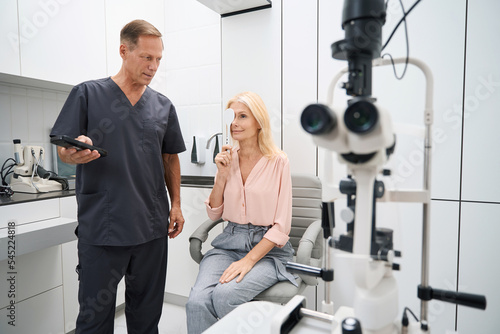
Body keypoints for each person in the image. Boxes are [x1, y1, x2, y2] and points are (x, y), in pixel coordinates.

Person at [50, 20, 186, 334]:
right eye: (147, 57)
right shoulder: (87, 93)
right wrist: (74, 153)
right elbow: (64, 150)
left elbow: (170, 158)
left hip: (152, 229)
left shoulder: (163, 107)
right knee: (94, 321)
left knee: (146, 318)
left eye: (158, 60)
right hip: (103, 229)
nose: (153, 67)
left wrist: (176, 204)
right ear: (124, 51)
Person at [185, 91, 296, 334]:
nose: (235, 123)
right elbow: (215, 214)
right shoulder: (227, 159)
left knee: (226, 295)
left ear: (259, 122)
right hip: (229, 243)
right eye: (232, 116)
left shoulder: (278, 161)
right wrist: (222, 176)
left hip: (268, 250)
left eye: (242, 116)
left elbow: (282, 227)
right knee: (196, 302)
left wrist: (248, 260)